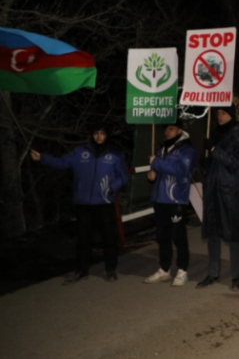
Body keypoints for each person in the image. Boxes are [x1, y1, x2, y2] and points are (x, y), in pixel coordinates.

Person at [31, 122, 128, 285]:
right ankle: (82, 270)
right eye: (96, 133)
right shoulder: (80, 152)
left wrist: (113, 187)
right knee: (83, 239)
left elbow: (123, 176)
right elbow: (61, 163)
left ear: (107, 135)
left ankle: (111, 269)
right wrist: (42, 157)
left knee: (109, 237)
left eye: (102, 133)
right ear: (92, 134)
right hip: (83, 203)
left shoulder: (115, 154)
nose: (99, 136)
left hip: (104, 202)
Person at [196, 105, 239, 292]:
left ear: (232, 115)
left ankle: (236, 276)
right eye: (217, 112)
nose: (219, 116)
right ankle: (212, 272)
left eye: (224, 113)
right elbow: (210, 164)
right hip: (212, 188)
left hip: (229, 190)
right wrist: (204, 159)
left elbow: (236, 163)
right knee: (212, 231)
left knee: (233, 233)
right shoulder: (214, 134)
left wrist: (214, 149)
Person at [143, 120, 196, 287]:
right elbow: (161, 172)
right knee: (162, 236)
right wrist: (153, 175)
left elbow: (182, 171)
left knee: (178, 235)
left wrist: (157, 162)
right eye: (165, 129)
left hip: (176, 199)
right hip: (160, 199)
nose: (167, 132)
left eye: (171, 128)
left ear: (180, 130)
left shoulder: (187, 150)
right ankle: (164, 269)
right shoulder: (163, 149)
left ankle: (182, 270)